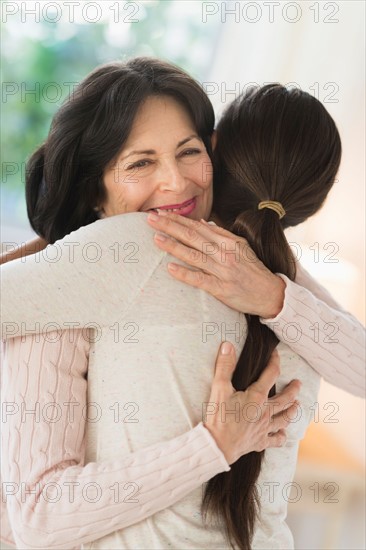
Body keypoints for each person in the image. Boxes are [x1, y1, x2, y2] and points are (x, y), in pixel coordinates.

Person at [0, 58, 364, 549]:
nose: (175, 183)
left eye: (188, 152)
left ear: (215, 150)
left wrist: (272, 297)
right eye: (141, 162)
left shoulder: (237, 264)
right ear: (93, 186)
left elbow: (38, 522)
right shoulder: (264, 263)